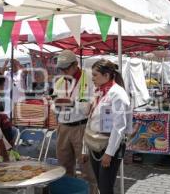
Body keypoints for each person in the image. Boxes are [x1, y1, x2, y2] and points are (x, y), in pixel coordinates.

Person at [82, 59, 132, 194]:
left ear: (106, 76)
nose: (92, 78)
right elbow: (90, 120)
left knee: (105, 187)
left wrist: (109, 153)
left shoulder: (117, 94)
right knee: (101, 184)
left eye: (95, 75)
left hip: (109, 145)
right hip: (95, 143)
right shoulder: (99, 91)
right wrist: (84, 147)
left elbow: (119, 127)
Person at [53, 50, 97, 193]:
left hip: (82, 127)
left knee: (87, 169)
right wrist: (55, 105)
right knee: (63, 167)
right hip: (63, 127)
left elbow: (88, 108)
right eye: (61, 68)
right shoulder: (59, 82)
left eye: (66, 68)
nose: (64, 71)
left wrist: (71, 103)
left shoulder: (90, 78)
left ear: (75, 64)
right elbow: (54, 105)